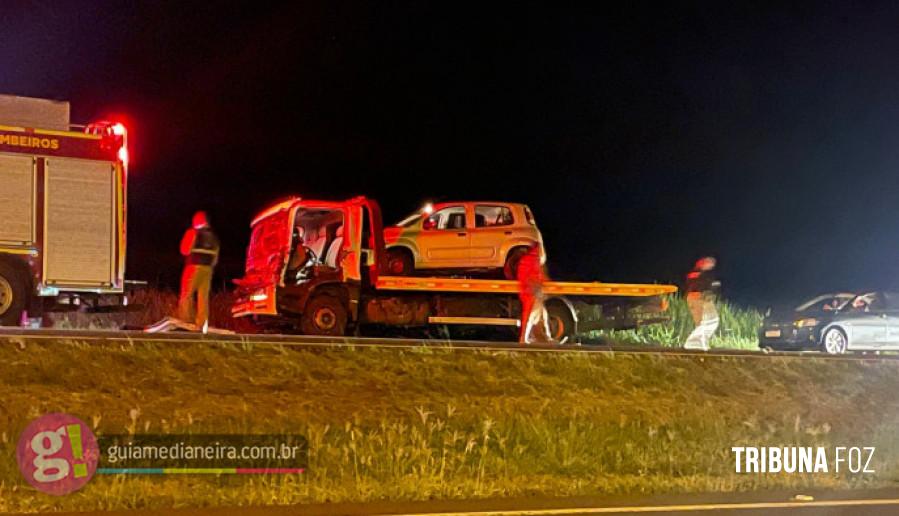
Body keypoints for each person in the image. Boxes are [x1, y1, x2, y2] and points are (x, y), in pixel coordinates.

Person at [177, 211, 220, 331]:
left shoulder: (193, 233)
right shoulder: (214, 237)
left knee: (186, 295)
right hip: (208, 269)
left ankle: (186, 322)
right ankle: (202, 324)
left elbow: (184, 250)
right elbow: (215, 258)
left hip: (193, 267)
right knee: (203, 298)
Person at [683, 256, 720, 350]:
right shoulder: (695, 273)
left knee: (711, 320)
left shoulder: (705, 274)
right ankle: (693, 343)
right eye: (709, 262)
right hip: (697, 297)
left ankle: (700, 343)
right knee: (705, 321)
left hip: (704, 298)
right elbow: (695, 285)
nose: (711, 264)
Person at [517, 244, 552, 344]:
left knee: (542, 314)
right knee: (530, 316)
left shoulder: (527, 260)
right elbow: (536, 276)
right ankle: (523, 338)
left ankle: (547, 336)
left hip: (530, 292)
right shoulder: (533, 260)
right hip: (531, 293)